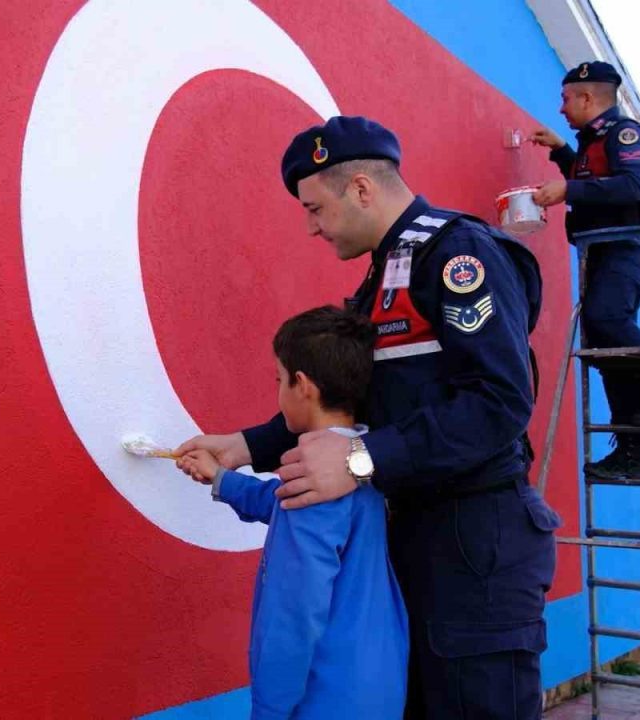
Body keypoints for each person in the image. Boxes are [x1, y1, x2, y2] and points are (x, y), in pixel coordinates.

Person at [177, 116, 560, 719]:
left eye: (315, 208)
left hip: (474, 544)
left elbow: (500, 402)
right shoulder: (385, 276)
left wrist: (361, 459)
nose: (311, 227)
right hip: (414, 538)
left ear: (360, 188)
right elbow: (362, 399)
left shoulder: (457, 254)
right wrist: (244, 447)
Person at [177, 305, 408, 720]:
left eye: (279, 379)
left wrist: (269, 709)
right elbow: (285, 504)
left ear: (303, 386)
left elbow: (294, 616)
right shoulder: (357, 463)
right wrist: (222, 480)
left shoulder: (316, 483)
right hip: (376, 686)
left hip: (322, 698)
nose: (278, 390)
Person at [530, 60, 640, 479]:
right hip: (603, 251)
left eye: (566, 99)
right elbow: (594, 176)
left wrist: (568, 189)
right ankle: (631, 449)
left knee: (606, 319)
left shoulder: (625, 134)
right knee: (601, 339)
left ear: (588, 97)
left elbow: (629, 185)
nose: (561, 108)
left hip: (630, 246)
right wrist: (562, 153)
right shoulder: (593, 142)